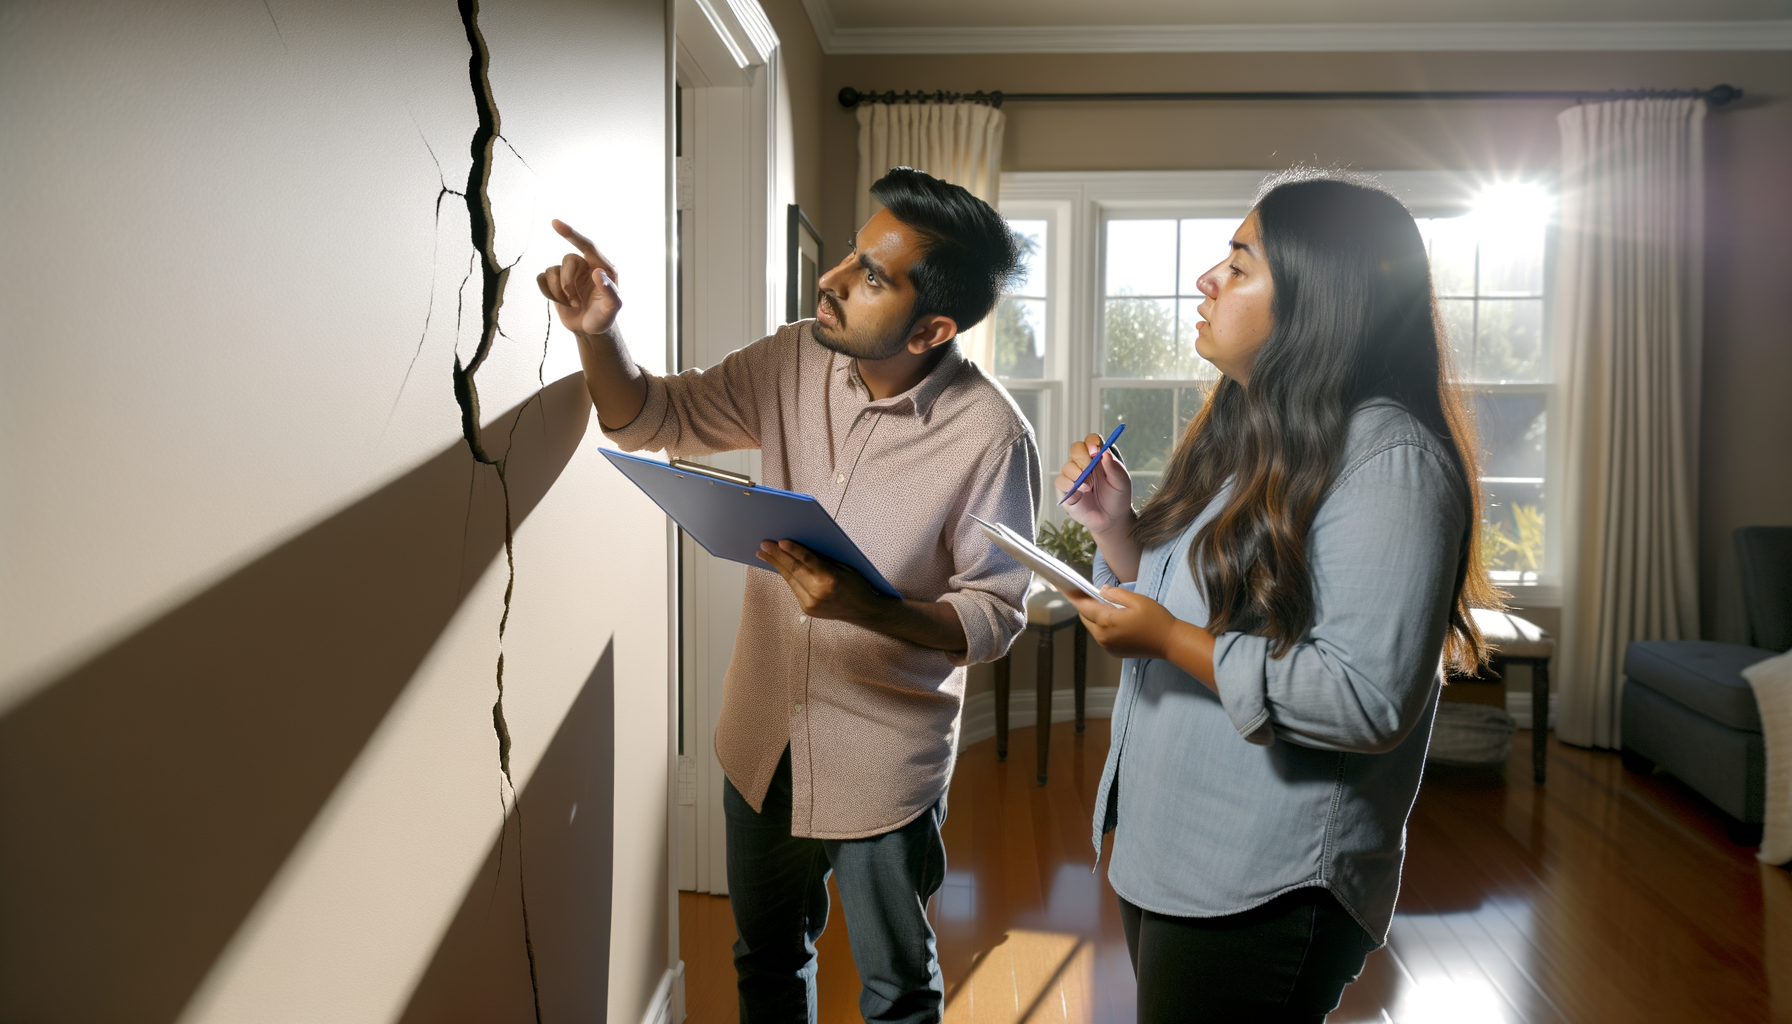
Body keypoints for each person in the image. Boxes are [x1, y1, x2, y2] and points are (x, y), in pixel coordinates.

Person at [537, 167, 1039, 1023]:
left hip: (884, 763)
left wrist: (866, 606)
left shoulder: (991, 435)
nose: (832, 280)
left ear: (935, 329)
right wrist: (595, 334)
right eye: (851, 253)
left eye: (871, 276)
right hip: (761, 736)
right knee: (766, 959)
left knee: (896, 992)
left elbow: (994, 614)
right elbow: (653, 414)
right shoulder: (794, 355)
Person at [1056, 171, 1500, 1023]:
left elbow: (1365, 699)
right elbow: (1198, 604)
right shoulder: (1245, 434)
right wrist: (1118, 533)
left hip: (1266, 875)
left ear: (1318, 296)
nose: (1205, 280)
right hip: (1175, 846)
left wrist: (1167, 642)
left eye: (1240, 262)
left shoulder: (1390, 461)